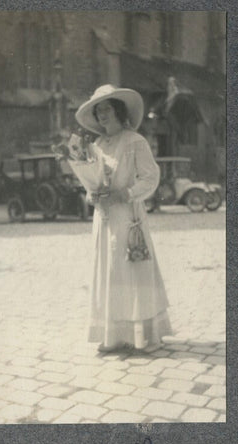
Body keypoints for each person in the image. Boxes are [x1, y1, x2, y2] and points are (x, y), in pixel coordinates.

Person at [75, 84, 172, 353]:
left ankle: (143, 335)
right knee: (109, 271)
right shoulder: (96, 145)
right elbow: (90, 183)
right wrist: (92, 196)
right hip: (104, 220)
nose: (101, 115)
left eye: (106, 109)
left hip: (128, 218)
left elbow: (151, 178)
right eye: (98, 111)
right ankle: (114, 335)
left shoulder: (134, 142)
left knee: (131, 271)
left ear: (118, 110)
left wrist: (124, 194)